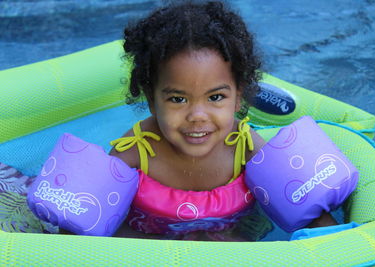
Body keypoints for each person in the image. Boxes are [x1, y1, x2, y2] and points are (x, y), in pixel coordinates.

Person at [109, 0, 337, 241]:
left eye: (215, 97)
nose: (197, 116)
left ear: (238, 97)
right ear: (152, 100)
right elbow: (93, 217)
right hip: (154, 240)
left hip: (230, 235)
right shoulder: (137, 148)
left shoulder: (245, 146)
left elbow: (305, 207)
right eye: (178, 99)